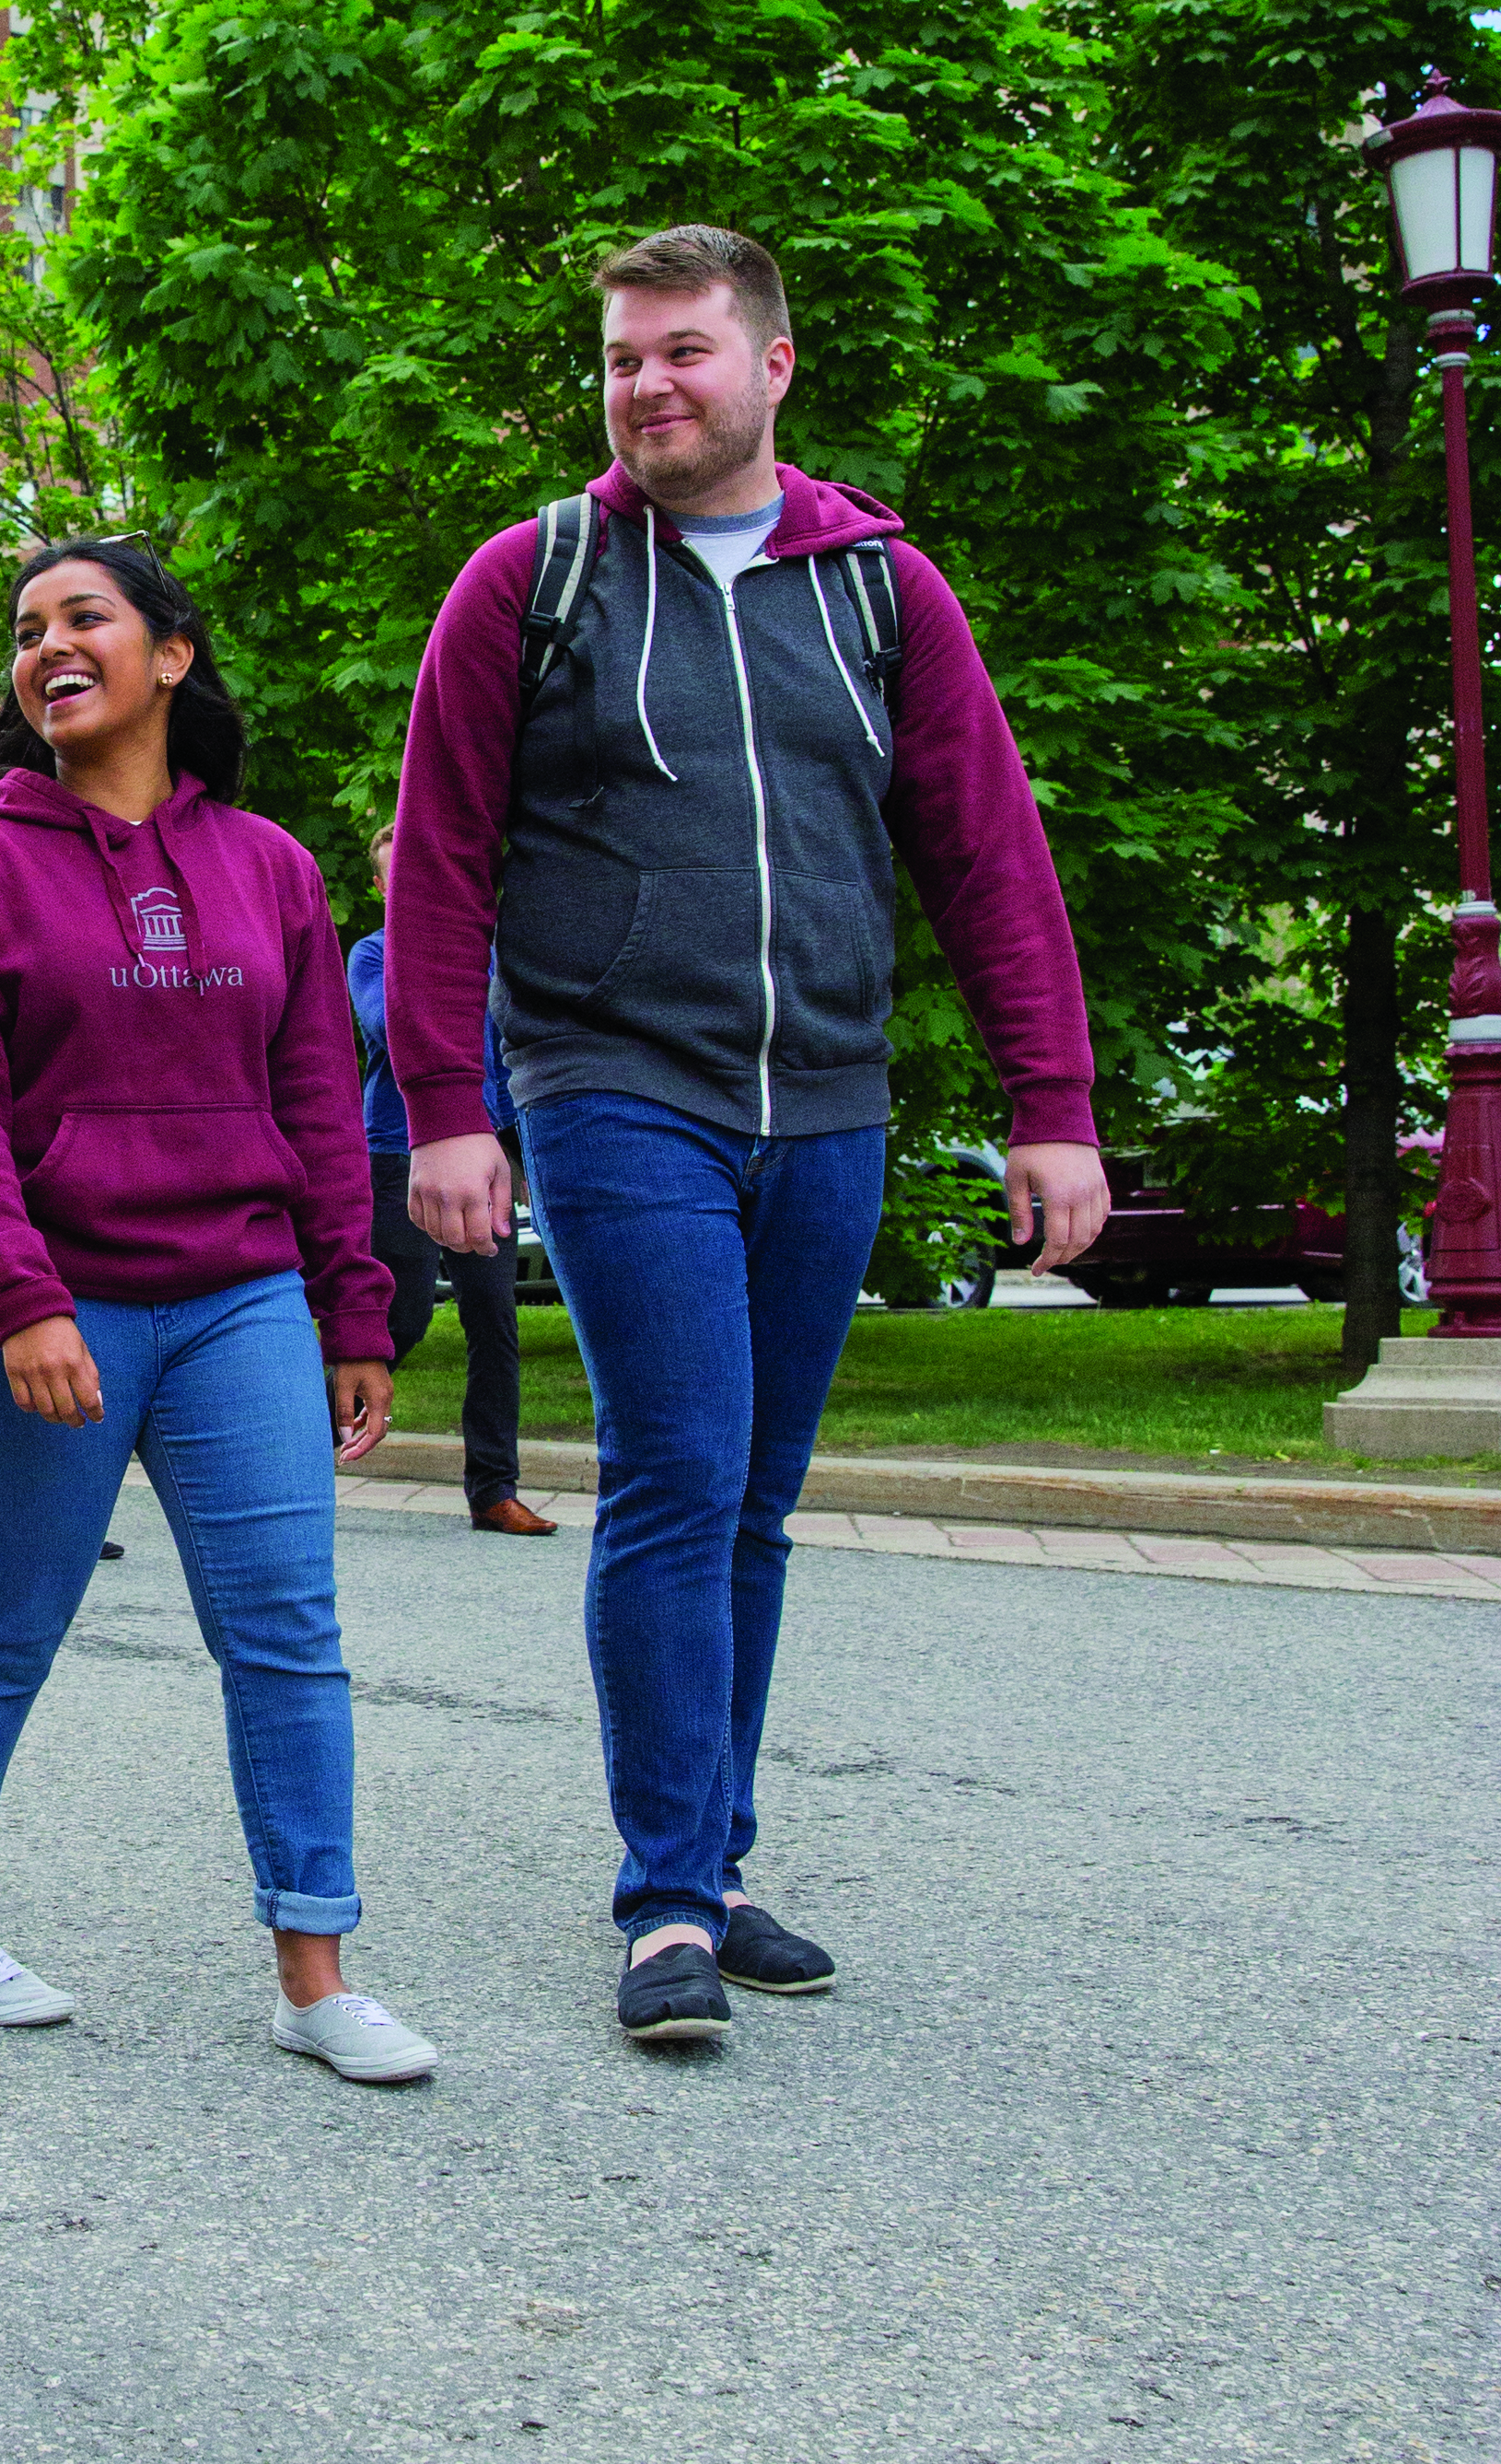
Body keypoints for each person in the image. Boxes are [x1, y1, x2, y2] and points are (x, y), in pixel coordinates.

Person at [386, 225, 1111, 2050]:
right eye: (622, 357)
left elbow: (984, 856)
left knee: (757, 1503)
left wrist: (1053, 1108)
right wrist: (447, 1109)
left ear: (771, 367)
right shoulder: (527, 583)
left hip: (827, 1102)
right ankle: (660, 1905)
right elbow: (442, 857)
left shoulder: (878, 588)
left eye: (682, 352)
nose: (645, 385)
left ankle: (707, 1858)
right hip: (612, 1079)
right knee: (677, 1471)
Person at [0, 538, 436, 2086]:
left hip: (239, 1304)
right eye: (26, 629)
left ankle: (317, 1972)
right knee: (9, 1623)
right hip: (49, 1311)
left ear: (171, 657)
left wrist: (356, 1314)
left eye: (85, 618)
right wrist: (18, 1294)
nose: (47, 644)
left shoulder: (269, 867)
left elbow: (324, 1104)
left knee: (287, 1635)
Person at [350, 822, 555, 1536]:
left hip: (483, 1159)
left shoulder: (493, 958)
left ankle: (493, 1490)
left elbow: (521, 1048)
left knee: (493, 1322)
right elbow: (387, 1026)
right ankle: (290, 1457)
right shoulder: (373, 954)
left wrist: (519, 1154)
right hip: (396, 1156)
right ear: (381, 888)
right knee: (397, 1321)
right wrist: (437, 964)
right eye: (394, 875)